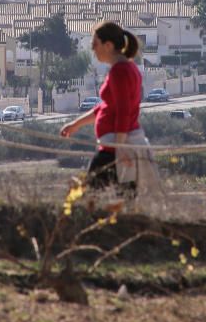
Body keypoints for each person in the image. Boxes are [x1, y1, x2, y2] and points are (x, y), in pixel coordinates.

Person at [59, 21, 160, 194]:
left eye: (95, 44)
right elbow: (106, 108)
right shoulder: (127, 68)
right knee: (124, 199)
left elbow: (123, 111)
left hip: (114, 148)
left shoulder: (119, 71)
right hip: (117, 145)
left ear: (108, 45)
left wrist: (121, 149)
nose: (93, 49)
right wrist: (76, 124)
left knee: (91, 196)